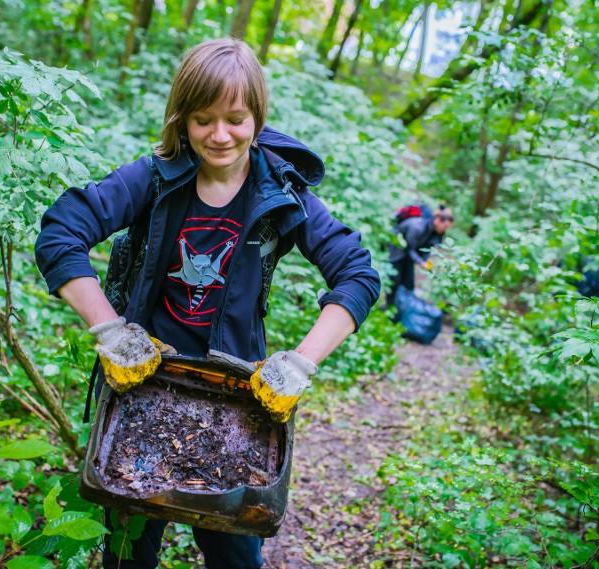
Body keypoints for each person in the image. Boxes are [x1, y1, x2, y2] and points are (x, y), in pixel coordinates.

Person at [34, 38, 380, 569]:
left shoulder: (283, 193)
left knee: (238, 555)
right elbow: (61, 232)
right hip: (145, 385)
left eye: (236, 119)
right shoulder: (153, 177)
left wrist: (301, 362)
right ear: (183, 120)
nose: (220, 135)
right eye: (203, 120)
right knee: (128, 552)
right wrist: (110, 331)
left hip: (238, 400)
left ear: (258, 117)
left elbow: (357, 273)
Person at [385, 204, 453, 306]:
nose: (445, 229)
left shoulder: (435, 232)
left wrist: (426, 259)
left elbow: (427, 248)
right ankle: (389, 306)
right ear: (437, 220)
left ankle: (403, 308)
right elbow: (409, 250)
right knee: (395, 280)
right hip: (397, 251)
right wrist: (422, 262)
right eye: (445, 226)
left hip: (408, 254)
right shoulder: (417, 227)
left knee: (409, 283)